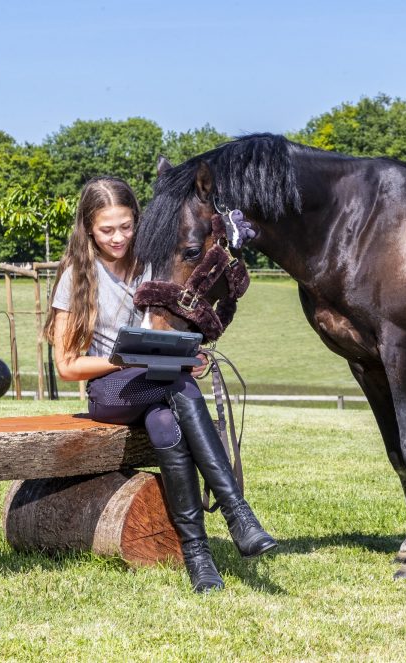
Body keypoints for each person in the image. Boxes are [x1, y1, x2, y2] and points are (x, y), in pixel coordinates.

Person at [45, 176, 276, 592]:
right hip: (108, 389)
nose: (118, 237)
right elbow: (66, 366)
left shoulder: (151, 263)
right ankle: (236, 512)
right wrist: (121, 359)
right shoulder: (76, 277)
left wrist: (185, 354)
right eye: (107, 229)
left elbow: (166, 325)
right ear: (89, 229)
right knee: (178, 388)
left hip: (156, 383)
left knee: (166, 424)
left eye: (126, 225)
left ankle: (199, 560)